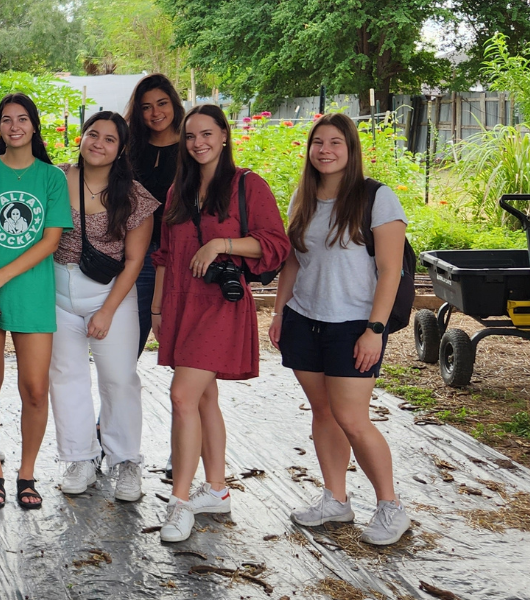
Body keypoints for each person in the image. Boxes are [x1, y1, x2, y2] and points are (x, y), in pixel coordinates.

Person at [152, 105, 290, 542]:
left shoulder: (248, 185)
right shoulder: (179, 190)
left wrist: (221, 243)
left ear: (225, 136)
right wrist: (157, 309)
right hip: (181, 302)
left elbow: (276, 245)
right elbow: (165, 255)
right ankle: (216, 490)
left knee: (181, 396)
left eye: (206, 133)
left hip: (220, 303)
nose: (198, 143)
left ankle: (179, 502)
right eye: (190, 136)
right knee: (204, 398)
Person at [271, 113, 411, 545]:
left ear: (350, 150)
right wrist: (279, 312)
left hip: (353, 325)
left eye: (336, 143)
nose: (325, 150)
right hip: (304, 320)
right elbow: (294, 259)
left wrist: (375, 328)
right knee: (324, 413)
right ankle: (336, 499)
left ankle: (391, 507)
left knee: (352, 418)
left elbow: (390, 271)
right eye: (318, 142)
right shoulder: (304, 196)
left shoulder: (376, 197)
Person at [0, 94, 71, 510]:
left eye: (22, 119)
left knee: (35, 389)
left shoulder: (51, 178)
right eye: (6, 120)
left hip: (32, 293)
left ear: (34, 126)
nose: (14, 126)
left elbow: (51, 239)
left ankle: (27, 473)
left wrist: (3, 276)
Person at [48, 112, 158, 503]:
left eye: (109, 139)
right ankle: (79, 458)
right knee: (65, 376)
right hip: (58, 289)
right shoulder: (56, 178)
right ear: (81, 137)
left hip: (110, 292)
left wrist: (109, 310)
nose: (98, 143)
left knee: (118, 378)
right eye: (93, 134)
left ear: (121, 149)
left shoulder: (134, 196)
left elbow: (135, 260)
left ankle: (125, 460)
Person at [124, 74, 185, 356]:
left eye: (161, 103)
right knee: (127, 344)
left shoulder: (192, 146)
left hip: (182, 255)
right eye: (146, 106)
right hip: (138, 254)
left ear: (174, 103)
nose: (155, 112)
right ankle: (119, 400)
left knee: (185, 348)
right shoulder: (129, 147)